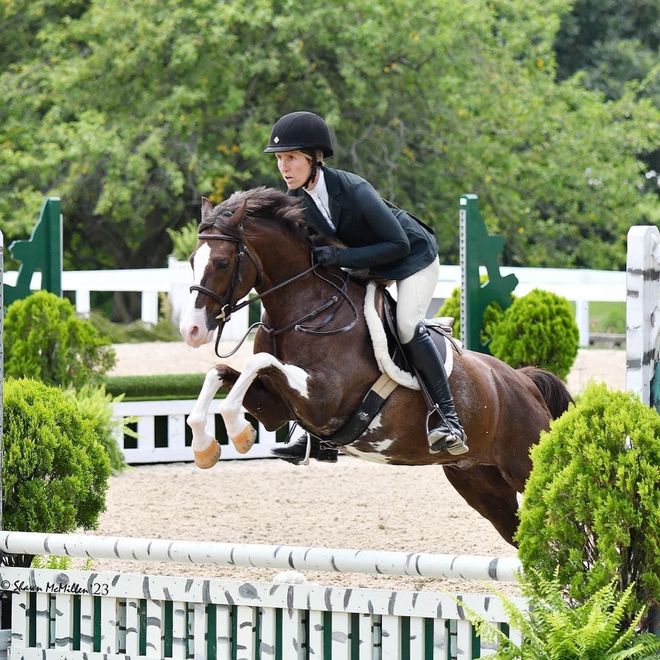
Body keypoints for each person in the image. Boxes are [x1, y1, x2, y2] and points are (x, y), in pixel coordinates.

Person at [264, 111, 468, 463]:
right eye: (281, 158)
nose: (285, 166)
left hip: (412, 258)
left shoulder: (353, 190)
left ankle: (448, 418)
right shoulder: (298, 199)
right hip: (367, 264)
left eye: (292, 158)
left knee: (405, 324)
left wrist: (340, 258)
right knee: (334, 325)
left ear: (315, 159)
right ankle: (317, 437)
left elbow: (399, 244)